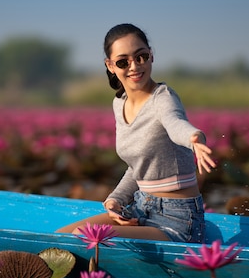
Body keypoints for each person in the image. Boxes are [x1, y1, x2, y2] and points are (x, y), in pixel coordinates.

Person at [56, 23, 216, 243]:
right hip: (139, 209)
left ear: (151, 56)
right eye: (123, 62)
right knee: (59, 238)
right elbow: (137, 167)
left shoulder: (163, 98)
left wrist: (194, 138)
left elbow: (175, 122)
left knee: (82, 237)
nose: (134, 67)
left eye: (141, 57)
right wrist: (116, 200)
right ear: (110, 66)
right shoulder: (119, 103)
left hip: (177, 220)